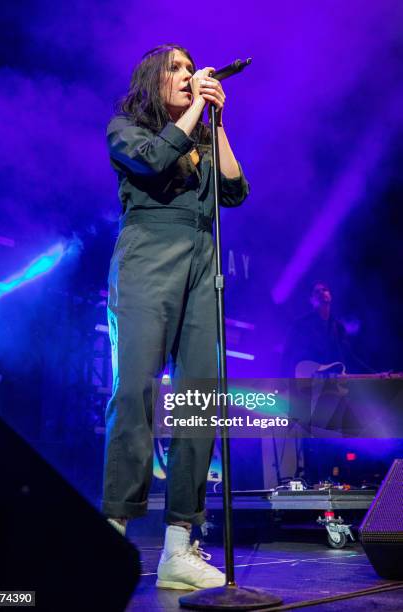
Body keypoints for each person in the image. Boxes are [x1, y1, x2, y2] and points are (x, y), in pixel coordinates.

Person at [101, 44, 249, 590]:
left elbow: (233, 191)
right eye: (178, 70)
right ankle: (110, 535)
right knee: (135, 391)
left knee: (198, 400)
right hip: (147, 259)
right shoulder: (124, 128)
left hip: (201, 264)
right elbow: (155, 160)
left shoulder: (202, 137)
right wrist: (192, 117)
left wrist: (217, 119)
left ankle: (178, 546)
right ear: (152, 79)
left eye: (194, 70)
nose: (189, 76)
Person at [281, 281, 352, 378]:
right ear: (311, 300)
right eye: (317, 292)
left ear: (330, 296)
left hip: (332, 381)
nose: (322, 293)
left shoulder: (338, 327)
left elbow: (345, 355)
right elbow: (288, 354)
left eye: (325, 290)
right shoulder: (300, 324)